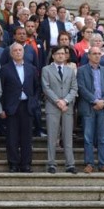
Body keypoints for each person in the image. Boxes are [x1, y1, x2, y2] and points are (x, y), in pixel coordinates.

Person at [0, 43, 39, 173]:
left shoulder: (31, 68)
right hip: (11, 107)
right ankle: (13, 164)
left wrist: (33, 102)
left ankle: (26, 164)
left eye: (20, 50)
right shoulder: (4, 69)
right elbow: (1, 90)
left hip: (27, 106)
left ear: (24, 52)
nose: (17, 52)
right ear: (11, 53)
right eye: (15, 50)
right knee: (12, 137)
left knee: (27, 138)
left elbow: (37, 87)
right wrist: (2, 108)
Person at [77, 47, 104, 174]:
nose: (97, 56)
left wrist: (103, 101)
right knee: (88, 137)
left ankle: (103, 163)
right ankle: (89, 163)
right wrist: (95, 100)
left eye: (99, 54)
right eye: (94, 54)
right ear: (88, 56)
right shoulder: (81, 71)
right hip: (89, 107)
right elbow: (81, 88)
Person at [42, 46, 79, 174]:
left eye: (63, 54)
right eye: (58, 54)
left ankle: (70, 164)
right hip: (53, 106)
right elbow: (46, 88)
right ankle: (51, 163)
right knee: (52, 136)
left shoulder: (70, 70)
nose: (61, 56)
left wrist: (66, 101)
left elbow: (74, 88)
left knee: (68, 137)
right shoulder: (46, 70)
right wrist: (58, 101)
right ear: (53, 55)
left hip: (67, 107)